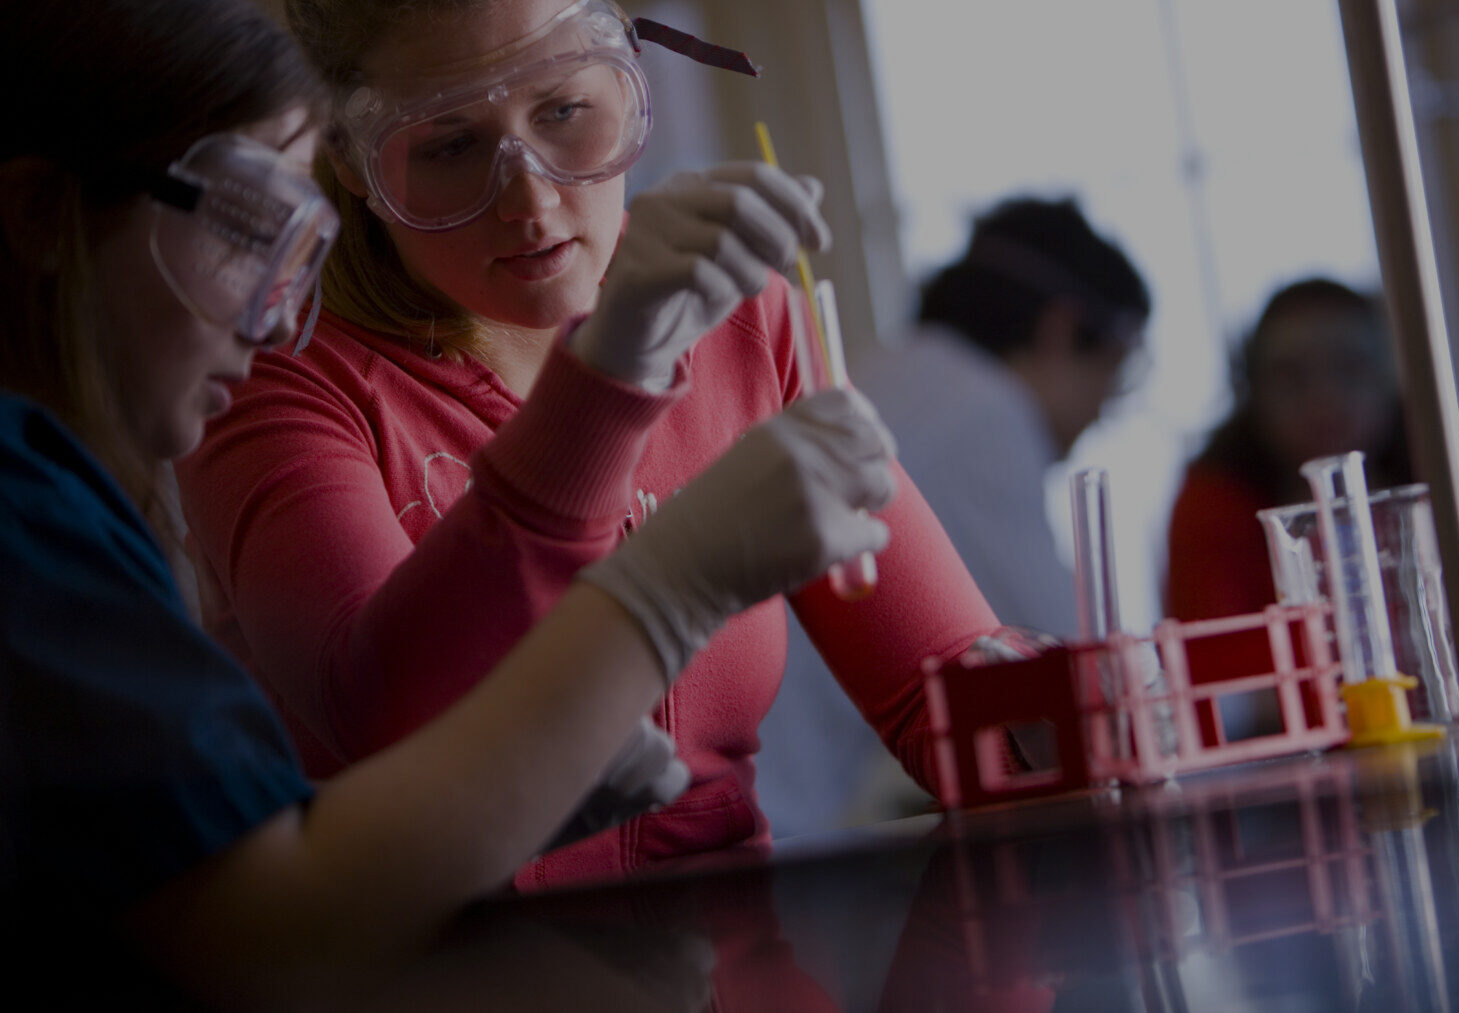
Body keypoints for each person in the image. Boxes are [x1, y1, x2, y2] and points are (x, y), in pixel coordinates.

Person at [0, 0, 897, 1004]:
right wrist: (669, 586)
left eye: (563, 109)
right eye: (247, 223)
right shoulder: (27, 514)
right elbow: (263, 930)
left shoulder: (67, 502)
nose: (273, 313)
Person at [174, 0, 1005, 887]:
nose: (530, 201)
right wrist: (610, 377)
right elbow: (379, 720)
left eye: (565, 112)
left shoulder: (738, 315)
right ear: (351, 160)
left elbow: (949, 702)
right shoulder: (277, 374)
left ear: (627, 86)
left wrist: (1093, 701)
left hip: (735, 958)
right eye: (450, 147)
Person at [762, 195, 1151, 837]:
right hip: (776, 811)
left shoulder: (886, 367)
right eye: (1116, 373)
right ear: (1059, 331)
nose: (1106, 410)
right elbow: (1086, 682)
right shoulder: (983, 416)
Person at [1163, 277, 1410, 683]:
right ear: (1254, 392)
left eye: (1351, 367)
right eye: (1291, 376)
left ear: (1386, 378)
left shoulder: (1440, 476)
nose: (1324, 398)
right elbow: (1221, 678)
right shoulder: (1211, 502)